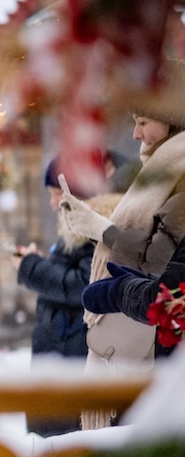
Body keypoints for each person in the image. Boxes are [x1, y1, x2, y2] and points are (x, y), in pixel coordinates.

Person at [58, 88, 185, 384]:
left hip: (157, 351)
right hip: (150, 341)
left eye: (143, 122)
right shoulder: (161, 170)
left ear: (173, 121)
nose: (135, 135)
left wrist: (100, 229)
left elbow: (159, 261)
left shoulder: (176, 173)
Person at [16, 160, 97, 361]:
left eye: (58, 193)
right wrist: (34, 261)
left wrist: (31, 266)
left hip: (72, 348)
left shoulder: (93, 231)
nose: (53, 202)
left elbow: (81, 285)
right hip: (65, 346)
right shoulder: (74, 230)